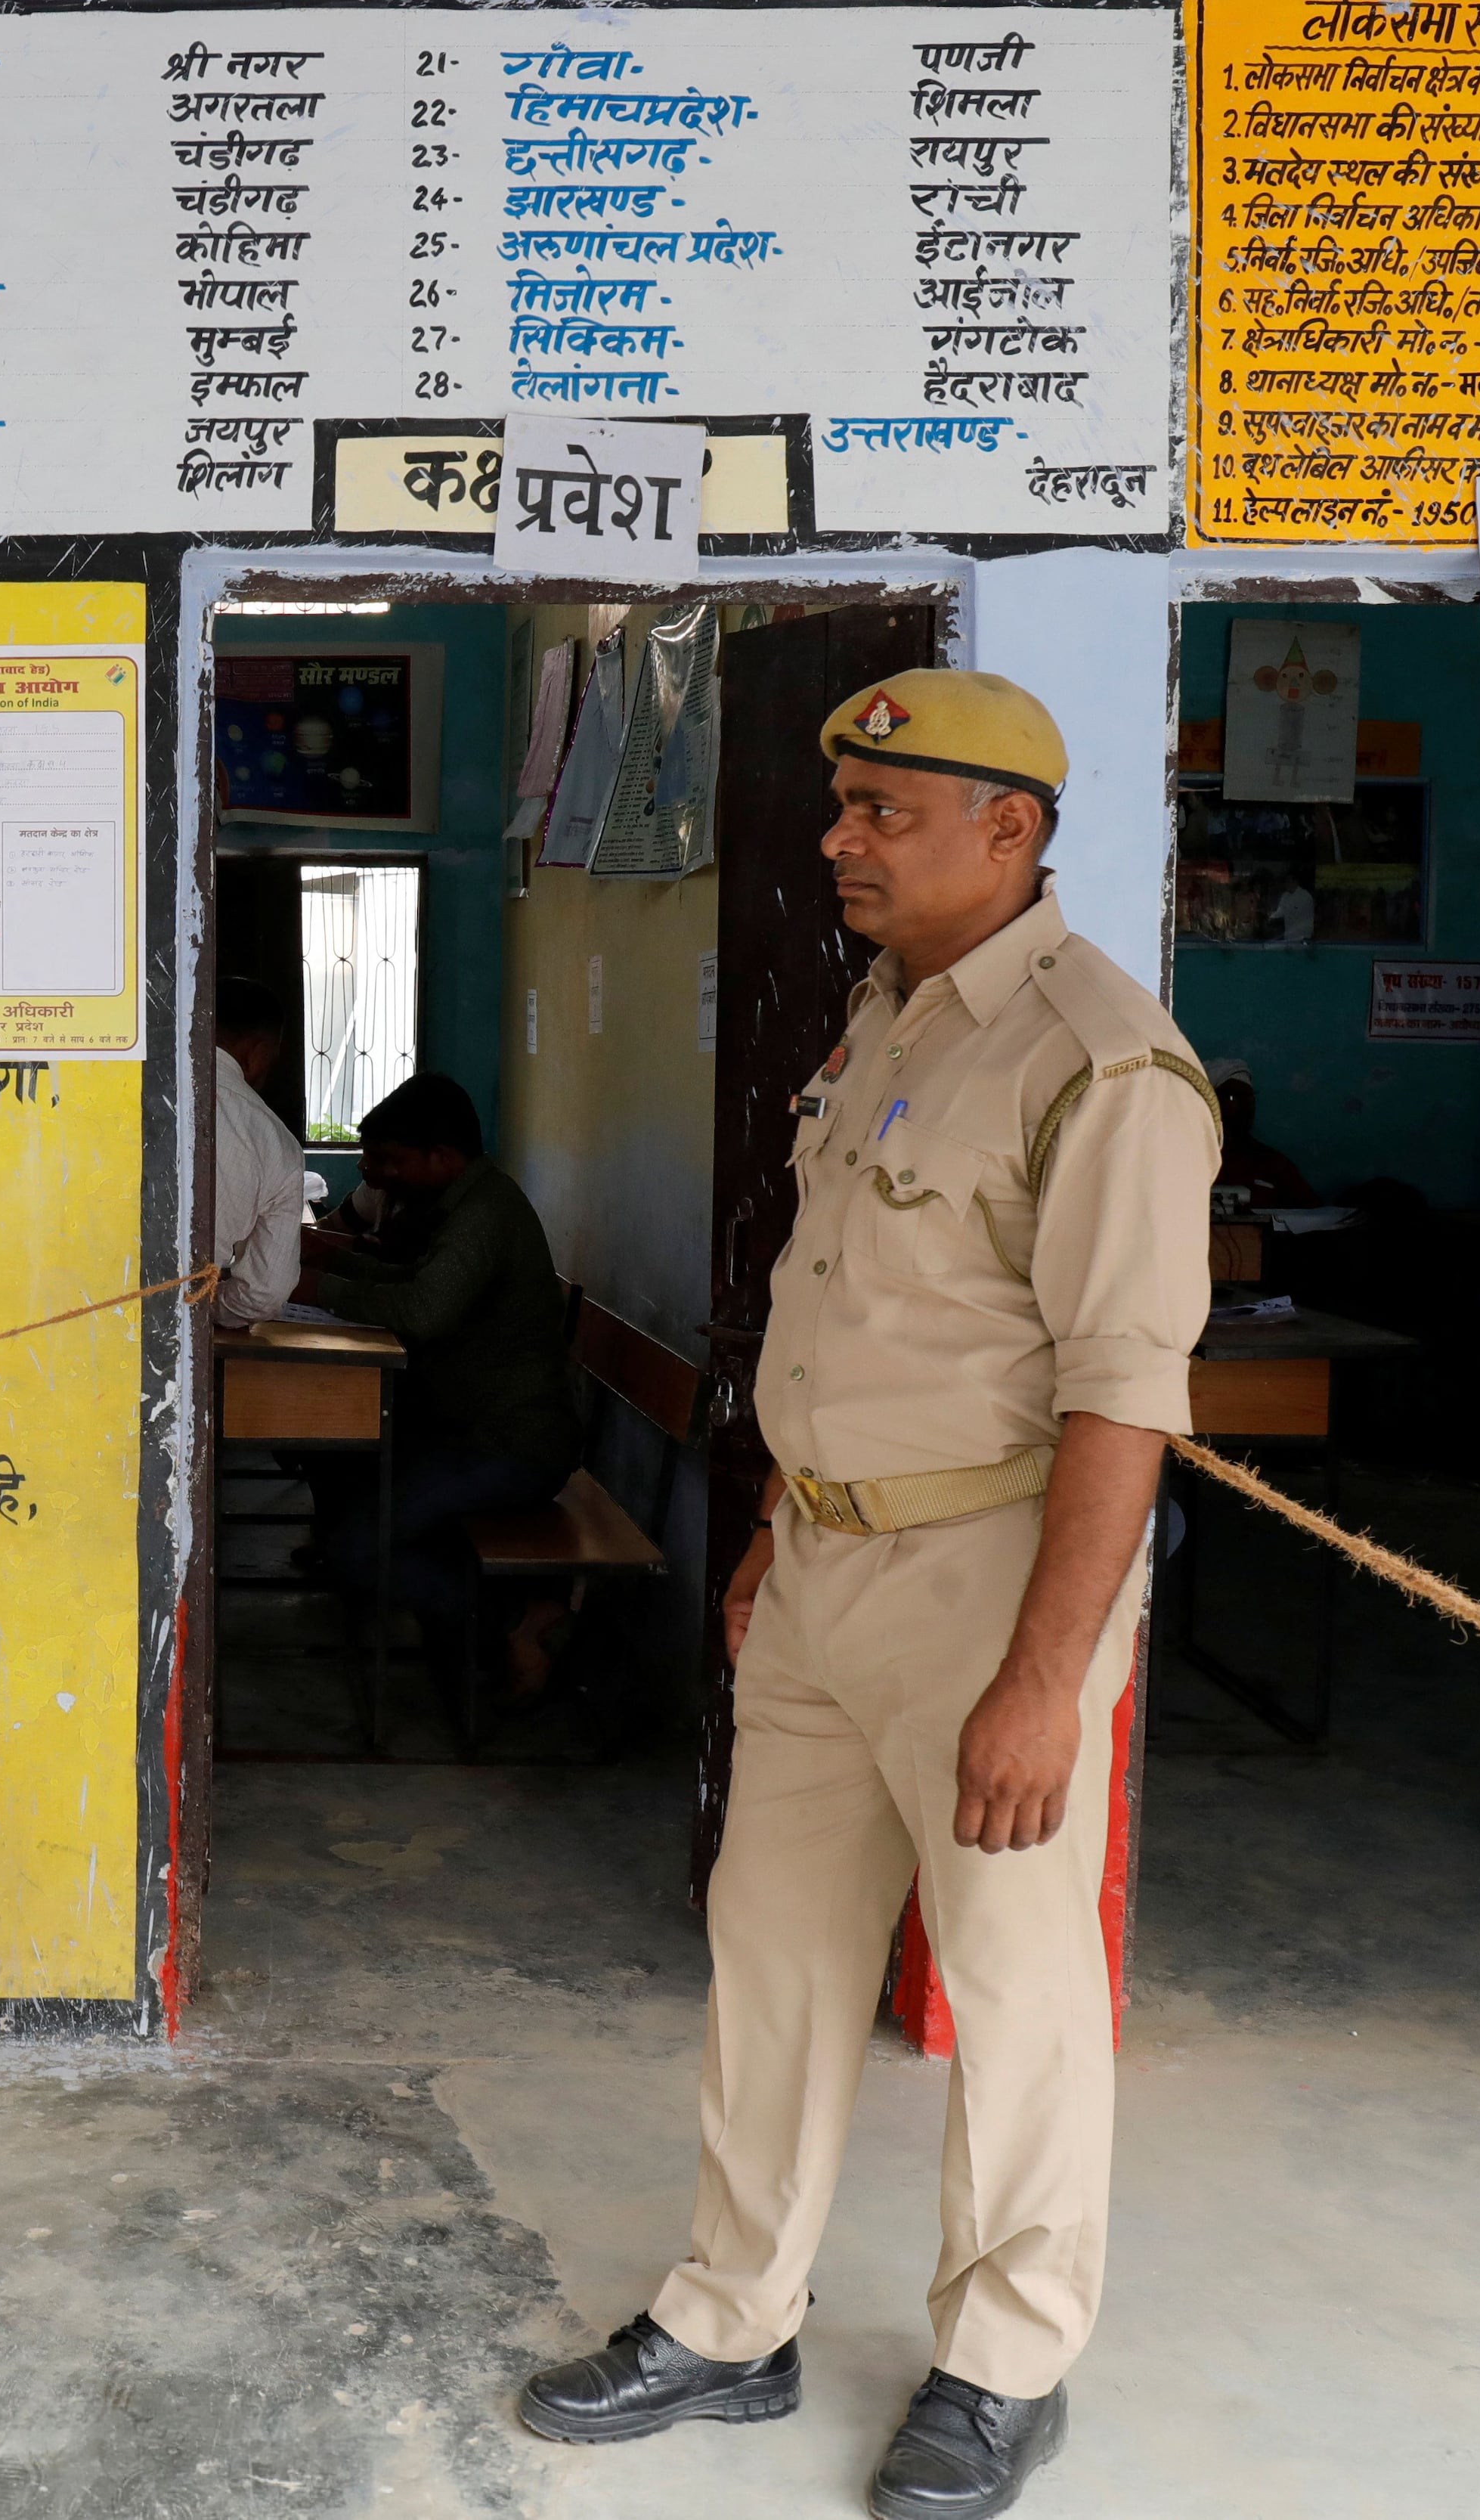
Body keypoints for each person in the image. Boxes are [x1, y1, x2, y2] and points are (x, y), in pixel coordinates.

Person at [516, 671, 1211, 2520]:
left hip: (992, 1589)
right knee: (776, 1951)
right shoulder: (890, 1018)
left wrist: (1044, 1677)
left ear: (1009, 830)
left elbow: (1123, 1397)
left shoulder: (1103, 1065)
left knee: (1012, 1979)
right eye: (841, 805)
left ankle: (1006, 2361)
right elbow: (855, 1317)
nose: (840, 840)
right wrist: (769, 1528)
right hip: (822, 1566)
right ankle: (732, 2317)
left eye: (882, 812)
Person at [295, 1073, 581, 1682]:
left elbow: (424, 1311)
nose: (378, 1174)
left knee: (355, 1548)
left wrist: (321, 1285)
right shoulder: (463, 1204)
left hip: (510, 1446)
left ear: (444, 1157)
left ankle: (517, 1617)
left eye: (394, 1161)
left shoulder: (486, 1215)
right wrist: (332, 1258)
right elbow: (416, 1281)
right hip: (462, 1426)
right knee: (334, 1459)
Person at [212, 975, 312, 1327]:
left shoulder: (119, 1088)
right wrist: (201, 1307)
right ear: (261, 1051)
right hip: (166, 1333)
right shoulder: (275, 1144)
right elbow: (264, 1295)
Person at [1204, 1059, 1317, 1207]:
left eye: (1249, 1098)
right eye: (1233, 1098)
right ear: (1211, 1104)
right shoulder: (1191, 1162)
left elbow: (1313, 1213)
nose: (1246, 1107)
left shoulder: (1273, 1165)